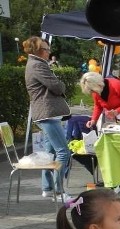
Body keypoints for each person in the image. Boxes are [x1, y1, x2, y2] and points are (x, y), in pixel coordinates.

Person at [23, 36, 72, 202]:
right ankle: (59, 192)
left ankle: (47, 188)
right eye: (45, 49)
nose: (49, 52)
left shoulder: (35, 63)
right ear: (37, 50)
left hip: (47, 113)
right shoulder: (37, 65)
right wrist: (62, 84)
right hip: (47, 113)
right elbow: (57, 86)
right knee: (63, 152)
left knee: (50, 153)